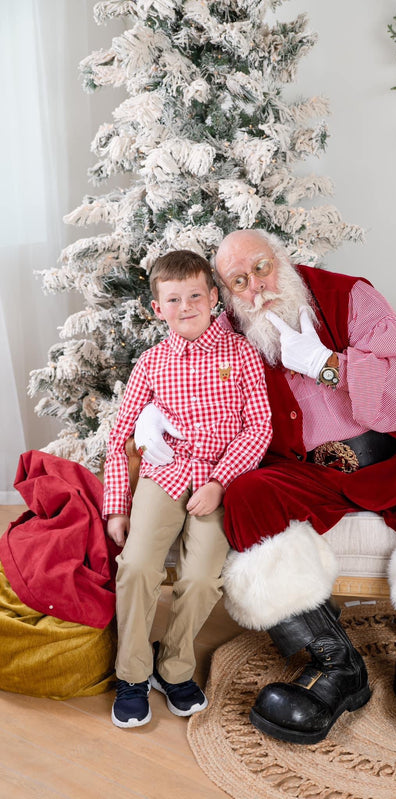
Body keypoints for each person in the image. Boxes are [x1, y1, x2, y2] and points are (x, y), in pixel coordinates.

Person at [134, 230, 396, 746]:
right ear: (224, 293)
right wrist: (150, 412)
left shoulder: (348, 296)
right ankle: (336, 664)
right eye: (239, 281)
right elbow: (186, 369)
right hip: (309, 471)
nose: (256, 287)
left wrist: (328, 365)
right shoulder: (229, 331)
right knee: (248, 496)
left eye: (262, 267)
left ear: (283, 258)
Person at [103, 249, 272, 729]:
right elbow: (119, 439)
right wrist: (117, 507)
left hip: (218, 479)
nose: (186, 307)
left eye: (195, 295)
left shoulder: (241, 354)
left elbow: (259, 427)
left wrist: (220, 482)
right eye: (173, 300)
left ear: (214, 297)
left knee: (200, 579)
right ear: (158, 308)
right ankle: (132, 675)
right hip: (164, 474)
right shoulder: (151, 363)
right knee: (137, 566)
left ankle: (173, 667)